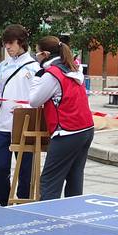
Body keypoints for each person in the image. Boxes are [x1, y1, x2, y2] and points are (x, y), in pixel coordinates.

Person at [27, 35, 94, 200]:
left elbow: (34, 100)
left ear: (45, 54)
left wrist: (38, 76)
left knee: (49, 182)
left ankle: (48, 220)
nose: (36, 57)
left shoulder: (52, 74)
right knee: (74, 179)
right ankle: (73, 218)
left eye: (37, 53)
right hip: (85, 129)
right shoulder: (73, 68)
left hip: (67, 131)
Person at [0, 24, 38, 206]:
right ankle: (4, 203)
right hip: (3, 126)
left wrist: (26, 107)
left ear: (22, 43)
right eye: (5, 44)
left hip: (25, 126)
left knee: (25, 171)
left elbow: (39, 97)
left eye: (11, 43)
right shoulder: (3, 66)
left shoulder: (35, 67)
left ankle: (22, 204)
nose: (7, 48)